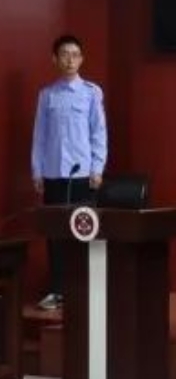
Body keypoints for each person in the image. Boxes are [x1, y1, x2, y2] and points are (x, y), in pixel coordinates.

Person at [31, 34, 108, 310]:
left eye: (75, 55)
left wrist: (97, 167)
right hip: (54, 174)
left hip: (83, 175)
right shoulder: (47, 95)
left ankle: (84, 292)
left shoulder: (91, 92)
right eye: (64, 54)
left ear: (82, 59)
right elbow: (40, 136)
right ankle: (58, 291)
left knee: (84, 232)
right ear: (55, 59)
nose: (70, 60)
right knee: (55, 235)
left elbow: (99, 133)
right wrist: (37, 171)